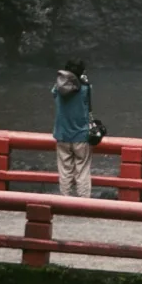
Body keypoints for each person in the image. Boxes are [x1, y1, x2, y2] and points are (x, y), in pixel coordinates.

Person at [52, 60, 94, 198]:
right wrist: (84, 81)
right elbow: (88, 102)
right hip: (81, 136)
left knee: (65, 171)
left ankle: (66, 200)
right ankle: (83, 203)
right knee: (82, 171)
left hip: (62, 135)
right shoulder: (85, 89)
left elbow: (54, 93)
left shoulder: (58, 88)